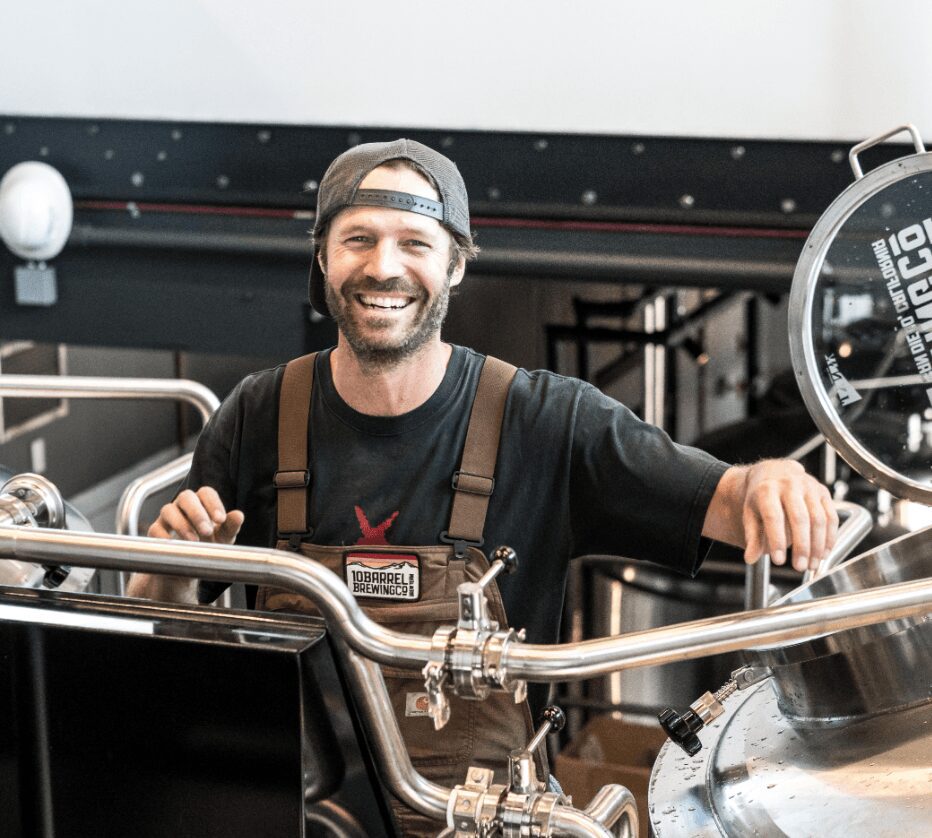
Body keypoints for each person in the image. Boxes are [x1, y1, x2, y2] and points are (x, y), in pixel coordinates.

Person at [127, 138, 836, 835]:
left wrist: (769, 481)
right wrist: (170, 573)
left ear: (456, 262)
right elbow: (161, 629)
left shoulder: (547, 421)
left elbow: (726, 501)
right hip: (304, 814)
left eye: (414, 243)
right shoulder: (258, 414)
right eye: (358, 239)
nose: (383, 267)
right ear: (322, 257)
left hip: (488, 822)